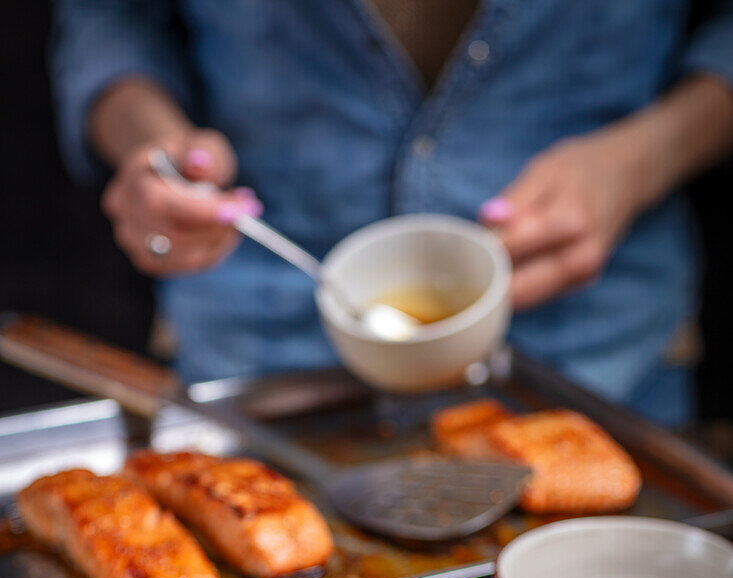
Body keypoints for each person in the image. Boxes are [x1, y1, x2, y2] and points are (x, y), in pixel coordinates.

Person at [52, 1, 733, 425]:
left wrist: (641, 160)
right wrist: (156, 149)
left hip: (599, 360)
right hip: (258, 365)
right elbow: (108, 19)